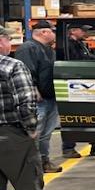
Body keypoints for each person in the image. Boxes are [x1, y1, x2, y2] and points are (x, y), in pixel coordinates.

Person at [0, 26, 73, 190]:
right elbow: (26, 101)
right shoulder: (12, 66)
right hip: (12, 136)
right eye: (7, 40)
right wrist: (31, 129)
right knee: (29, 189)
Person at [61, 23, 95, 159]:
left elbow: (88, 58)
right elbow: (76, 62)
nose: (85, 33)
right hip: (74, 84)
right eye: (82, 30)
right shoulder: (68, 46)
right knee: (73, 116)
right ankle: (68, 148)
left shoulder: (80, 44)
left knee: (91, 113)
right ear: (73, 31)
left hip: (85, 82)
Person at [14, 20, 62, 173]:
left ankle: (43, 161)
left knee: (46, 134)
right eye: (52, 31)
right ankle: (31, 165)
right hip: (38, 99)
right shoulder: (28, 48)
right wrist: (33, 89)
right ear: (44, 32)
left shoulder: (48, 49)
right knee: (34, 132)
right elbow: (25, 71)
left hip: (50, 97)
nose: (54, 34)